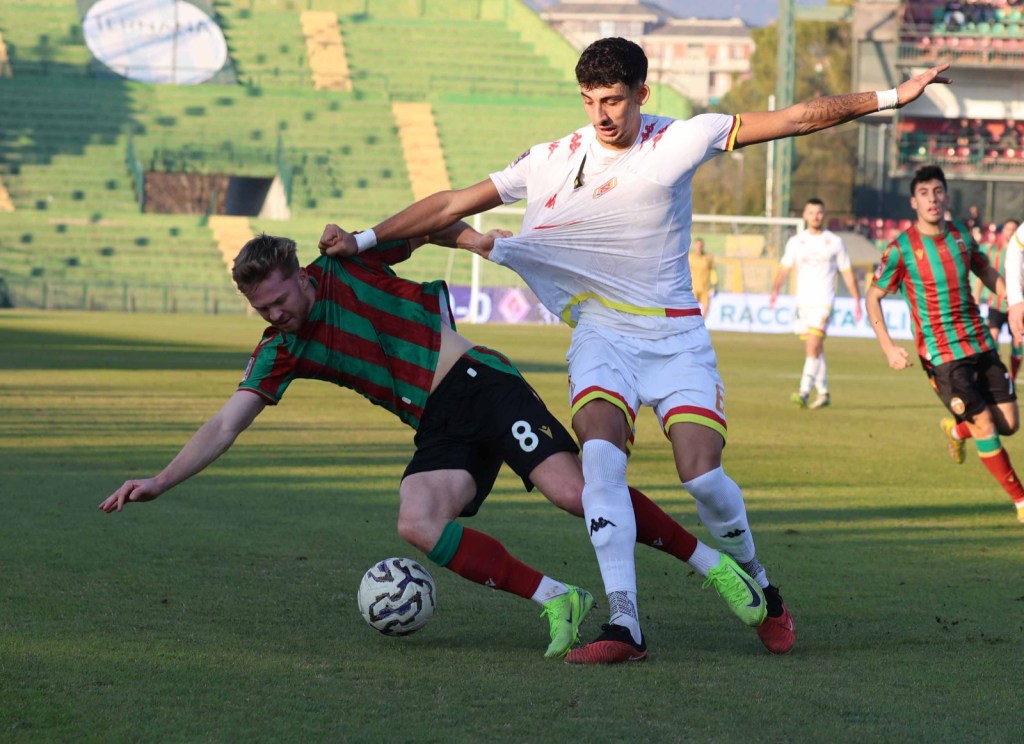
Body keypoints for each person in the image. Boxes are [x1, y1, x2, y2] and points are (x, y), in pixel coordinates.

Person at [320, 37, 951, 662]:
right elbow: (452, 202)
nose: (601, 114)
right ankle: (625, 624)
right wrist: (366, 236)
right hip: (600, 332)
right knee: (599, 464)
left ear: (642, 95)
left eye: (615, 100)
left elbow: (795, 118)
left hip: (675, 336)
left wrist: (895, 95)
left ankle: (757, 577)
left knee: (702, 479)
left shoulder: (681, 139)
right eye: (591, 99)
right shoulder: (551, 158)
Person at [99, 227, 769, 659]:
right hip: (438, 424)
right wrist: (161, 479)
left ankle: (714, 564)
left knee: (576, 493)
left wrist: (374, 235)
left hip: (480, 381)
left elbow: (412, 228)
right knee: (416, 521)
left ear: (301, 273)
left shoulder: (345, 265)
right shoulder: (279, 350)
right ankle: (558, 598)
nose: (274, 315)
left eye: (279, 300)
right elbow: (225, 424)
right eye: (262, 310)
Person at [865, 166, 1024, 524]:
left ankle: (954, 429)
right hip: (942, 354)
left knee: (1009, 423)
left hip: (980, 341)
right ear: (913, 201)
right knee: (984, 423)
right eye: (924, 193)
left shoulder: (960, 235)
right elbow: (873, 297)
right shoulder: (901, 249)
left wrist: (1012, 297)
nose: (932, 198)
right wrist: (888, 347)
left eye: (938, 191)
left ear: (947, 196)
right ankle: (1020, 501)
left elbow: (985, 270)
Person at [769, 198, 863, 410]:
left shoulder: (834, 242)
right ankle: (823, 392)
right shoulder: (796, 242)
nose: (815, 216)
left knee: (813, 346)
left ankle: (803, 391)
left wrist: (857, 300)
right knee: (814, 350)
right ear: (805, 215)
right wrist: (775, 290)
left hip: (824, 302)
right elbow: (784, 268)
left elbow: (846, 272)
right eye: (811, 212)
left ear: (824, 215)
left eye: (819, 212)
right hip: (803, 303)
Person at [974, 218, 1022, 380]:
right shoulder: (993, 251)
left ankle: (1013, 379)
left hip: (1017, 305)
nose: (1010, 232)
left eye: (1014, 229)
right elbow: (982, 274)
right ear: (1003, 232)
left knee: (1017, 343)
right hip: (997, 304)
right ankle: (999, 376)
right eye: (1007, 229)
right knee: (992, 338)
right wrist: (976, 297)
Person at [689, 237, 716, 318]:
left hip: (705, 288)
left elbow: (713, 271)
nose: (699, 247)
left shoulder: (708, 257)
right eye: (697, 245)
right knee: (691, 308)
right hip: (693, 288)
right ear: (694, 246)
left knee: (706, 307)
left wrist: (714, 285)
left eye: (701, 245)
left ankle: (701, 323)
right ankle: (691, 324)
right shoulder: (689, 257)